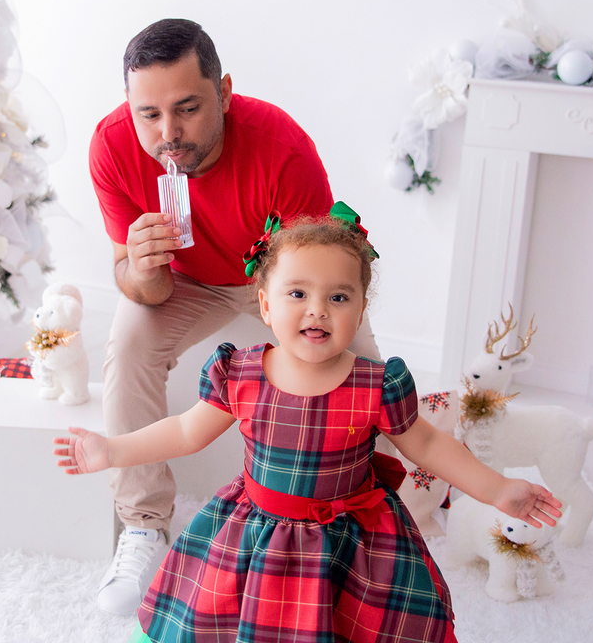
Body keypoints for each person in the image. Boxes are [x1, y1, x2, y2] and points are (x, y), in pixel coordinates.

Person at [54, 211, 562, 643]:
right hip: (256, 535)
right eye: (298, 292)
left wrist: (499, 490)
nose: (317, 308)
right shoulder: (242, 373)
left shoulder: (375, 385)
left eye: (339, 298)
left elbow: (428, 444)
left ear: (361, 310)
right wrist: (111, 450)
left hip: (348, 543)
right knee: (224, 617)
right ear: (266, 304)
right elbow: (186, 432)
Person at [88, 19, 383, 614]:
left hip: (276, 277)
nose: (167, 134)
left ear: (223, 91)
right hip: (184, 282)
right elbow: (130, 279)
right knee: (128, 347)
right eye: (148, 114)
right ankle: (144, 525)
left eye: (187, 108)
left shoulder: (279, 146)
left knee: (363, 371)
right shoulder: (114, 146)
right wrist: (142, 271)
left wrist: (295, 327)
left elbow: (317, 274)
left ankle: (369, 523)